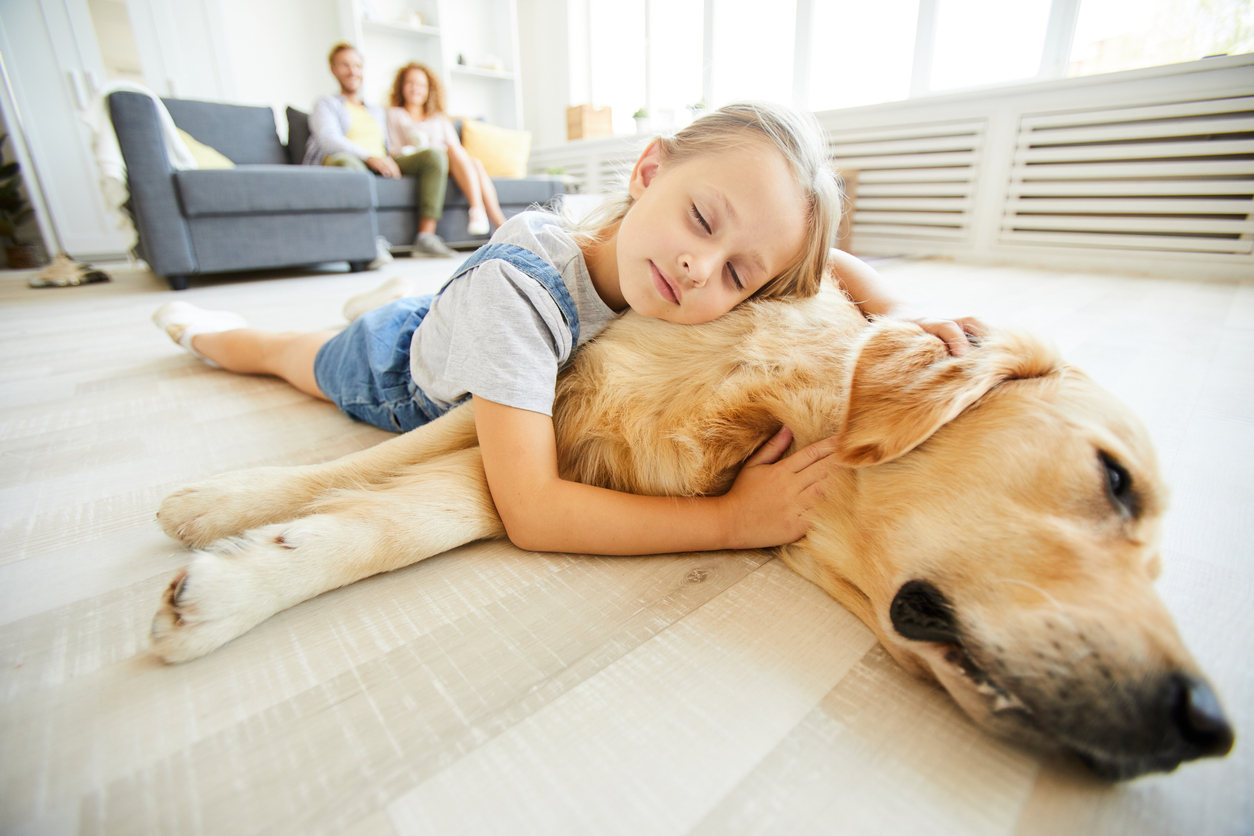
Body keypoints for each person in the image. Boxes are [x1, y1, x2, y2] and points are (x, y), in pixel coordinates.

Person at [153, 102, 985, 557]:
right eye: (701, 219)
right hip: (404, 373)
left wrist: (904, 314)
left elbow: (825, 262)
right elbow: (535, 512)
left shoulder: (675, 263)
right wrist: (730, 524)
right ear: (649, 169)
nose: (703, 267)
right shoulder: (522, 292)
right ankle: (211, 331)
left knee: (408, 308)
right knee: (291, 357)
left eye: (739, 272)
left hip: (471, 320)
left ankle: (395, 298)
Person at [303, 43, 455, 258]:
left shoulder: (376, 111)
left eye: (357, 65)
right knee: (349, 163)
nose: (352, 71)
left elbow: (393, 140)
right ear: (333, 69)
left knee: (435, 156)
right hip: (346, 160)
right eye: (344, 65)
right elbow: (328, 139)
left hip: (380, 160)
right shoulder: (326, 104)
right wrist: (369, 157)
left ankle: (425, 238)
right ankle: (369, 242)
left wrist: (390, 157)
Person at [387, 62, 507, 237]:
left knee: (474, 163)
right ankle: (479, 211)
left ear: (429, 90)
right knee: (457, 156)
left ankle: (499, 224)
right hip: (422, 163)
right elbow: (395, 150)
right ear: (401, 86)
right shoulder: (395, 114)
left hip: (451, 164)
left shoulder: (439, 118)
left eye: (421, 85)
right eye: (410, 83)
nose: (415, 89)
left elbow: (455, 148)